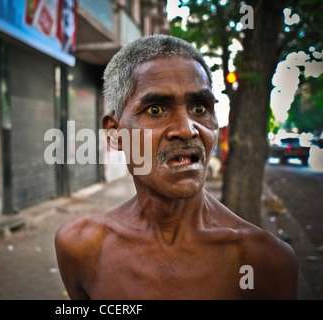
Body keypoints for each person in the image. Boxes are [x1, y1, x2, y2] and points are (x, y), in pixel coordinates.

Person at [54, 34, 298, 300]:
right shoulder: (80, 247)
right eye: (156, 109)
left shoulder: (263, 261)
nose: (187, 129)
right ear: (115, 134)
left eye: (199, 107)